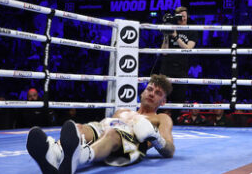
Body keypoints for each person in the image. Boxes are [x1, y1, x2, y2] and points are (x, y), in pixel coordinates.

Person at [25, 74, 175, 174]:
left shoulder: (161, 118)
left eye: (158, 93)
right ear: (142, 93)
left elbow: (170, 149)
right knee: (79, 128)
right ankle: (54, 155)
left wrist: (155, 136)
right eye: (149, 89)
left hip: (130, 144)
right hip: (106, 130)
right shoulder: (122, 111)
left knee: (112, 133)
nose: (151, 93)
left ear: (163, 101)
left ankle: (79, 157)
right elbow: (102, 127)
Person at [159, 6, 197, 112]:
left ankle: (176, 121)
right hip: (167, 67)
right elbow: (164, 52)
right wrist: (166, 36)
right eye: (180, 16)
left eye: (184, 16)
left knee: (179, 100)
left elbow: (188, 49)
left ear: (187, 16)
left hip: (181, 68)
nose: (183, 19)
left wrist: (176, 37)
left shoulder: (192, 31)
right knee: (161, 98)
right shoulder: (171, 28)